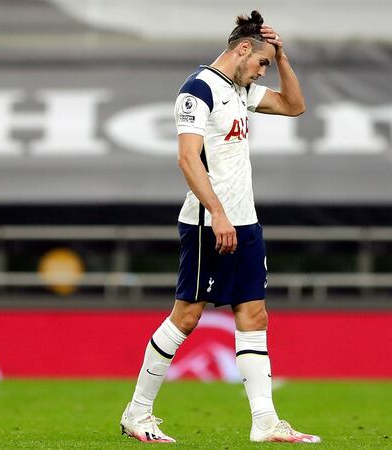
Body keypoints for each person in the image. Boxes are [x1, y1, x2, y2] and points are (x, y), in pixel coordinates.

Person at [120, 10, 320, 444]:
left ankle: (265, 422)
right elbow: (187, 159)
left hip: (244, 222)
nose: (262, 71)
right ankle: (137, 412)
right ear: (243, 49)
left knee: (253, 314)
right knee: (187, 316)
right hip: (209, 222)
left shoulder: (240, 90)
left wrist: (282, 55)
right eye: (262, 62)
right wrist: (217, 212)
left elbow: (294, 105)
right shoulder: (198, 91)